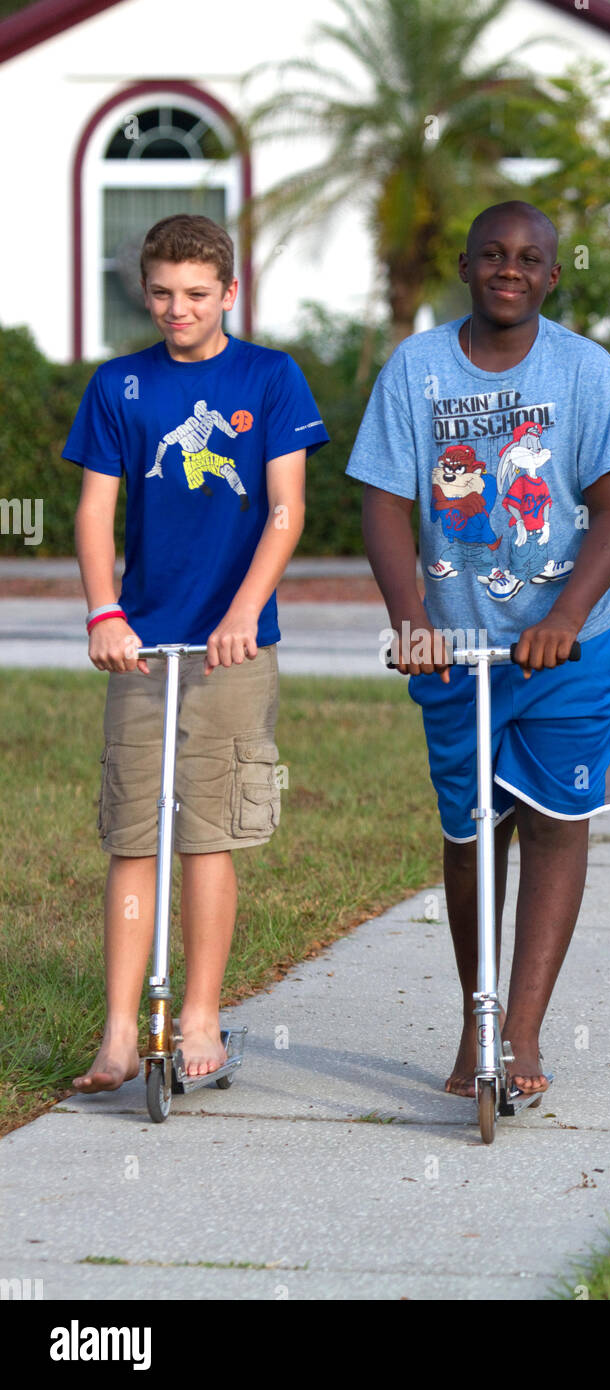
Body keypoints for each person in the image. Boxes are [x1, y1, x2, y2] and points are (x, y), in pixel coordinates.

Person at [346, 200, 610, 1098]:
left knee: (554, 821)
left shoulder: (587, 371)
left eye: (529, 258)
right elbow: (384, 502)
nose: (509, 269)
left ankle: (520, 1036)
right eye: (492, 255)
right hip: (458, 645)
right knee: (472, 831)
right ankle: (478, 1018)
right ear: (467, 267)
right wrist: (410, 618)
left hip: (575, 642)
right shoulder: (417, 369)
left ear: (554, 275)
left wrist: (567, 614)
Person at [64, 213, 328, 1092]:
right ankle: (118, 1032)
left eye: (197, 296)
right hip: (143, 644)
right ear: (147, 292)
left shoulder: (270, 377)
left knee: (205, 835)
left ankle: (203, 1015)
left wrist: (245, 610)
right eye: (164, 294)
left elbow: (286, 510)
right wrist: (106, 610)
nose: (179, 310)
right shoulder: (120, 386)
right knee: (133, 836)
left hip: (231, 648)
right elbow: (97, 511)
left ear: (228, 294)